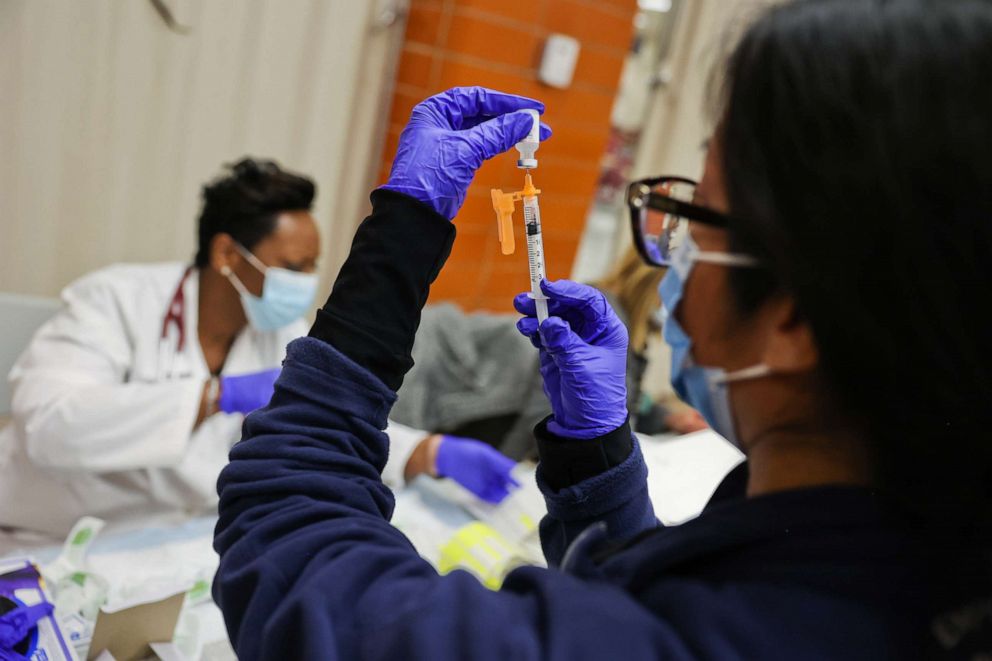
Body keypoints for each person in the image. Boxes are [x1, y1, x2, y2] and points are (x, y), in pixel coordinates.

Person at [212, 2, 992, 657]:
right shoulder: (895, 572)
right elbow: (659, 592)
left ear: (794, 315)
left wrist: (404, 235)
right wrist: (598, 455)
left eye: (692, 218)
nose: (669, 252)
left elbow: (300, 557)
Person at [0, 158, 517, 547]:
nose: (304, 283)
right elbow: (48, 427)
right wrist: (213, 395)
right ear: (227, 254)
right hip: (50, 537)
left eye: (312, 267)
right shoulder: (113, 300)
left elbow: (322, 418)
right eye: (292, 267)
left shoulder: (279, 329)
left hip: (175, 541)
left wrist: (425, 451)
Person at [391, 247, 706, 462]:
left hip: (464, 379)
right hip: (437, 375)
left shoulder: (620, 319)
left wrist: (666, 417)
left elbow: (623, 396)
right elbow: (549, 414)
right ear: (660, 286)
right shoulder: (603, 320)